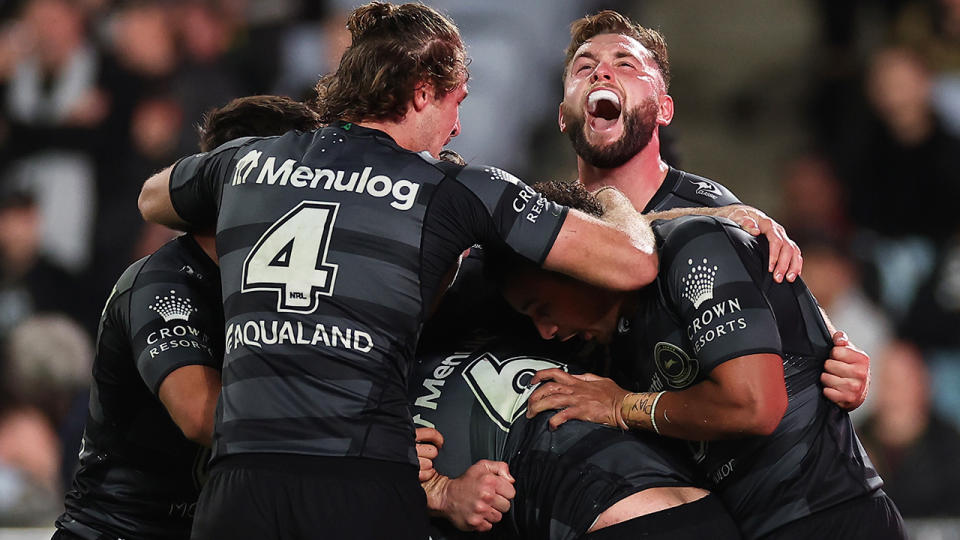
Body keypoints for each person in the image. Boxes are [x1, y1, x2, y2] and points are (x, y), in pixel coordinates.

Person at [135, 4, 667, 539]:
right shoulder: (454, 190)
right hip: (360, 487)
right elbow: (633, 262)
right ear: (420, 94)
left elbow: (153, 198)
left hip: (237, 491)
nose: (457, 127)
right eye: (455, 103)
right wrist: (618, 201)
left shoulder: (245, 162)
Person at [501, 182, 904, 539]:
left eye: (543, 307)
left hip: (831, 515)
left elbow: (755, 406)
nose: (545, 330)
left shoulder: (694, 246)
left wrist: (622, 406)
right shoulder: (616, 343)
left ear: (576, 263)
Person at [554, 9, 869, 409]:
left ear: (664, 110)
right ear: (563, 116)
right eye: (584, 67)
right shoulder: (542, 217)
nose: (601, 73)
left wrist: (845, 357)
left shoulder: (717, 207)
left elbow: (804, 317)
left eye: (625, 64)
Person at [53, 95, 323, 540]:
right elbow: (199, 414)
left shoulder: (266, 287)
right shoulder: (162, 282)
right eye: (300, 181)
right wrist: (340, 433)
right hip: (121, 531)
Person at [411, 330, 742, 540]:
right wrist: (440, 496)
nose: (545, 325)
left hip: (641, 496)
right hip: (627, 500)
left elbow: (621, 234)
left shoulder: (471, 299)